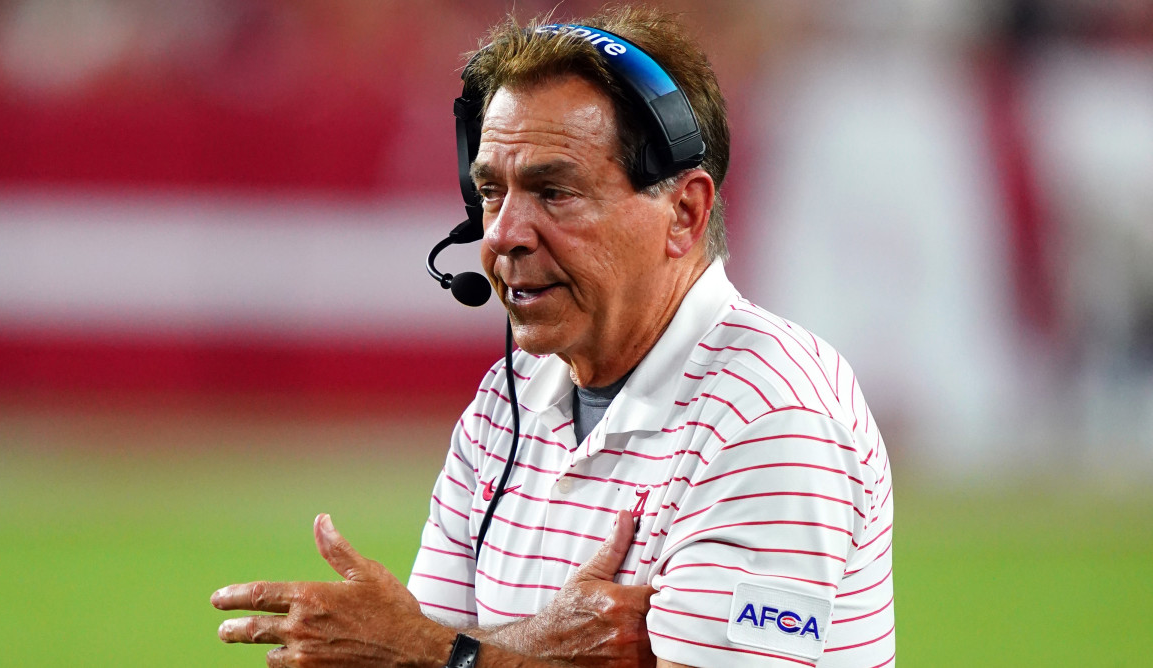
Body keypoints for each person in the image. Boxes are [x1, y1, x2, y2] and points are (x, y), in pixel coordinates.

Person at [212, 7, 894, 668]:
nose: (504, 234)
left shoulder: (772, 413)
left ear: (684, 212)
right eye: (490, 192)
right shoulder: (504, 406)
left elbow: (417, 653)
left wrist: (435, 652)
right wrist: (540, 643)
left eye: (554, 192)